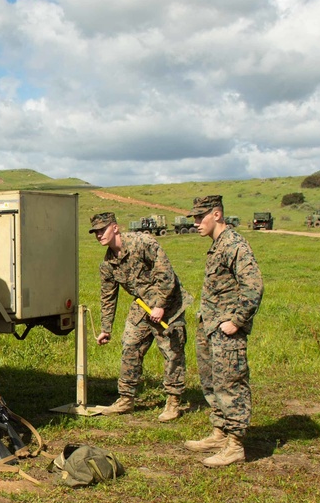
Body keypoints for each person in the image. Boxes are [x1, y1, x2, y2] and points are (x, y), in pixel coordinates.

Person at [183, 195, 264, 468]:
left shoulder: (234, 244)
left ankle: (235, 445)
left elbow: (253, 286)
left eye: (200, 217)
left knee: (231, 384)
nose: (195, 223)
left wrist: (237, 321)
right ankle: (220, 433)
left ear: (216, 214)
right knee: (212, 382)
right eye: (193, 217)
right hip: (210, 327)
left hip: (226, 329)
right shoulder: (217, 245)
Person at [90, 212, 192, 420]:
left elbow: (166, 274)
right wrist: (105, 329)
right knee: (130, 345)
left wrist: (161, 305)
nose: (99, 235)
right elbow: (108, 297)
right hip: (143, 306)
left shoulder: (142, 242)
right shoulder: (108, 264)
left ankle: (173, 402)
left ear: (115, 228)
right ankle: (126, 399)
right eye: (96, 232)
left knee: (172, 351)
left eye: (103, 230)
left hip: (169, 303)